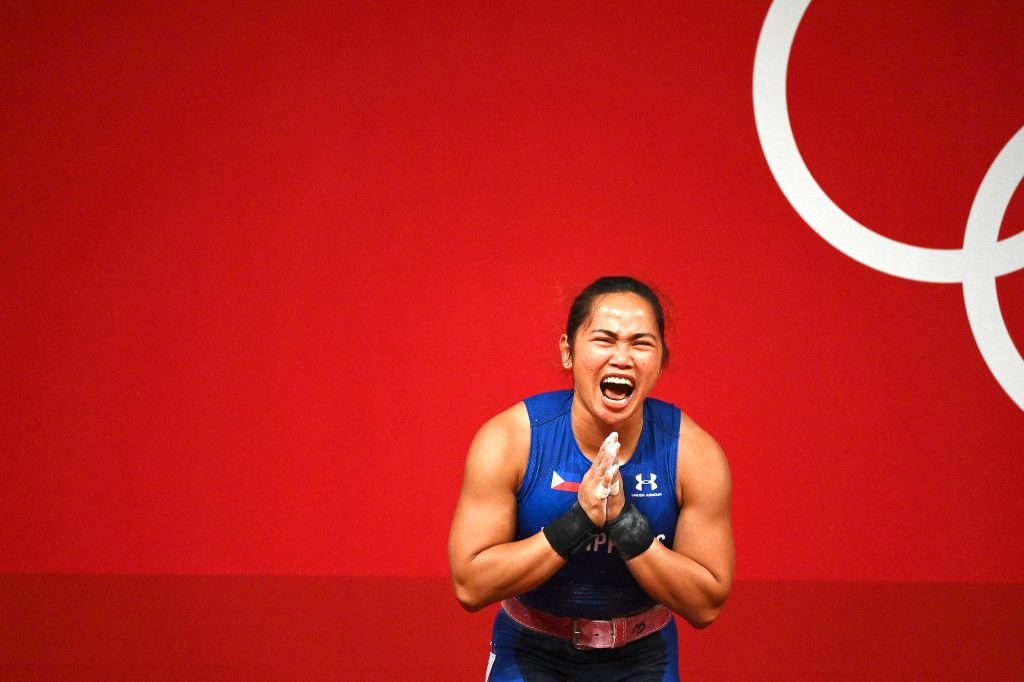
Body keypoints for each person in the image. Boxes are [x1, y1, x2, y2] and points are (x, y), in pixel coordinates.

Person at [448, 276, 734, 681]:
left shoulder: (694, 454)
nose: (623, 357)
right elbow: (471, 586)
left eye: (641, 343)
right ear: (568, 351)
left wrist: (624, 524)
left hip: (643, 659)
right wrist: (579, 521)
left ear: (661, 359)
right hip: (531, 653)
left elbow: (705, 605)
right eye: (605, 339)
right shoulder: (510, 441)